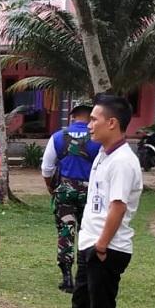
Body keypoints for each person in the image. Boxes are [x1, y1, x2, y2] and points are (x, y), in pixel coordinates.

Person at [41, 95, 143, 308]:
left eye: (95, 120)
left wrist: (101, 245)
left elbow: (118, 206)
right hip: (91, 243)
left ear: (112, 123)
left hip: (107, 248)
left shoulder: (123, 161)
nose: (89, 126)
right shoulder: (103, 154)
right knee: (82, 302)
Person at [41, 103, 102, 292]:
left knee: (66, 232)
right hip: (90, 192)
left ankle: (66, 277)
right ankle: (84, 275)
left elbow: (47, 168)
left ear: (72, 116)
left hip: (65, 190)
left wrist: (51, 187)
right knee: (89, 232)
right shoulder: (98, 138)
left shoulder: (58, 137)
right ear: (90, 117)